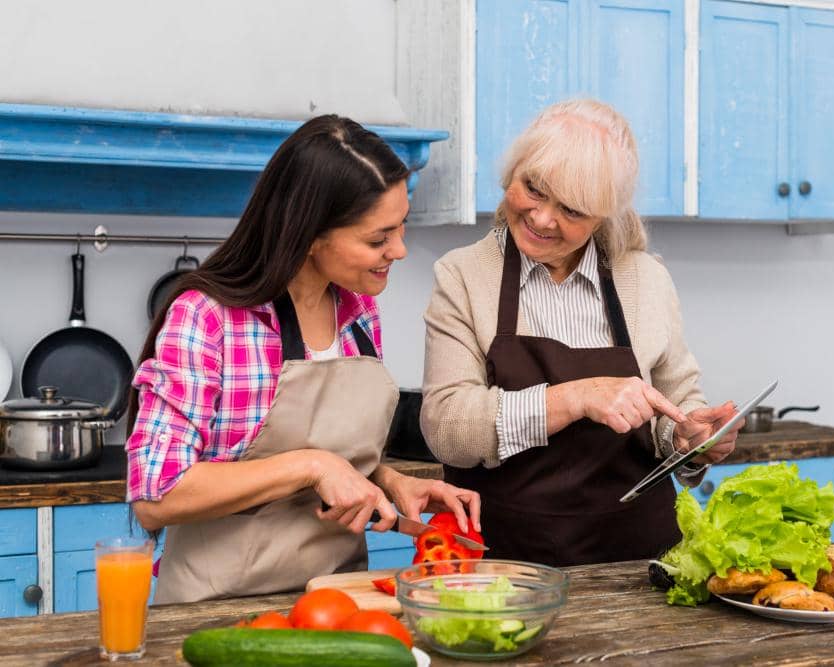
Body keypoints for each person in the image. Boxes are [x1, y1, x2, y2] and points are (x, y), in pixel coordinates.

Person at [126, 115, 480, 603]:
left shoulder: (359, 311)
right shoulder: (207, 318)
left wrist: (388, 481)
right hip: (215, 609)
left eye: (401, 227)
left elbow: (334, 454)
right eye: (378, 239)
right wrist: (310, 466)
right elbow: (156, 496)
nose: (398, 250)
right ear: (311, 235)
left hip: (335, 601)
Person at [420, 99, 740, 567]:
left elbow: (678, 401)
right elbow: (447, 428)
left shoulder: (646, 278)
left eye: (571, 209)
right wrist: (575, 398)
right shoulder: (463, 275)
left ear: (602, 216)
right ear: (511, 174)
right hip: (503, 565)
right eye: (534, 188)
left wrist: (690, 440)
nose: (542, 218)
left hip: (636, 562)